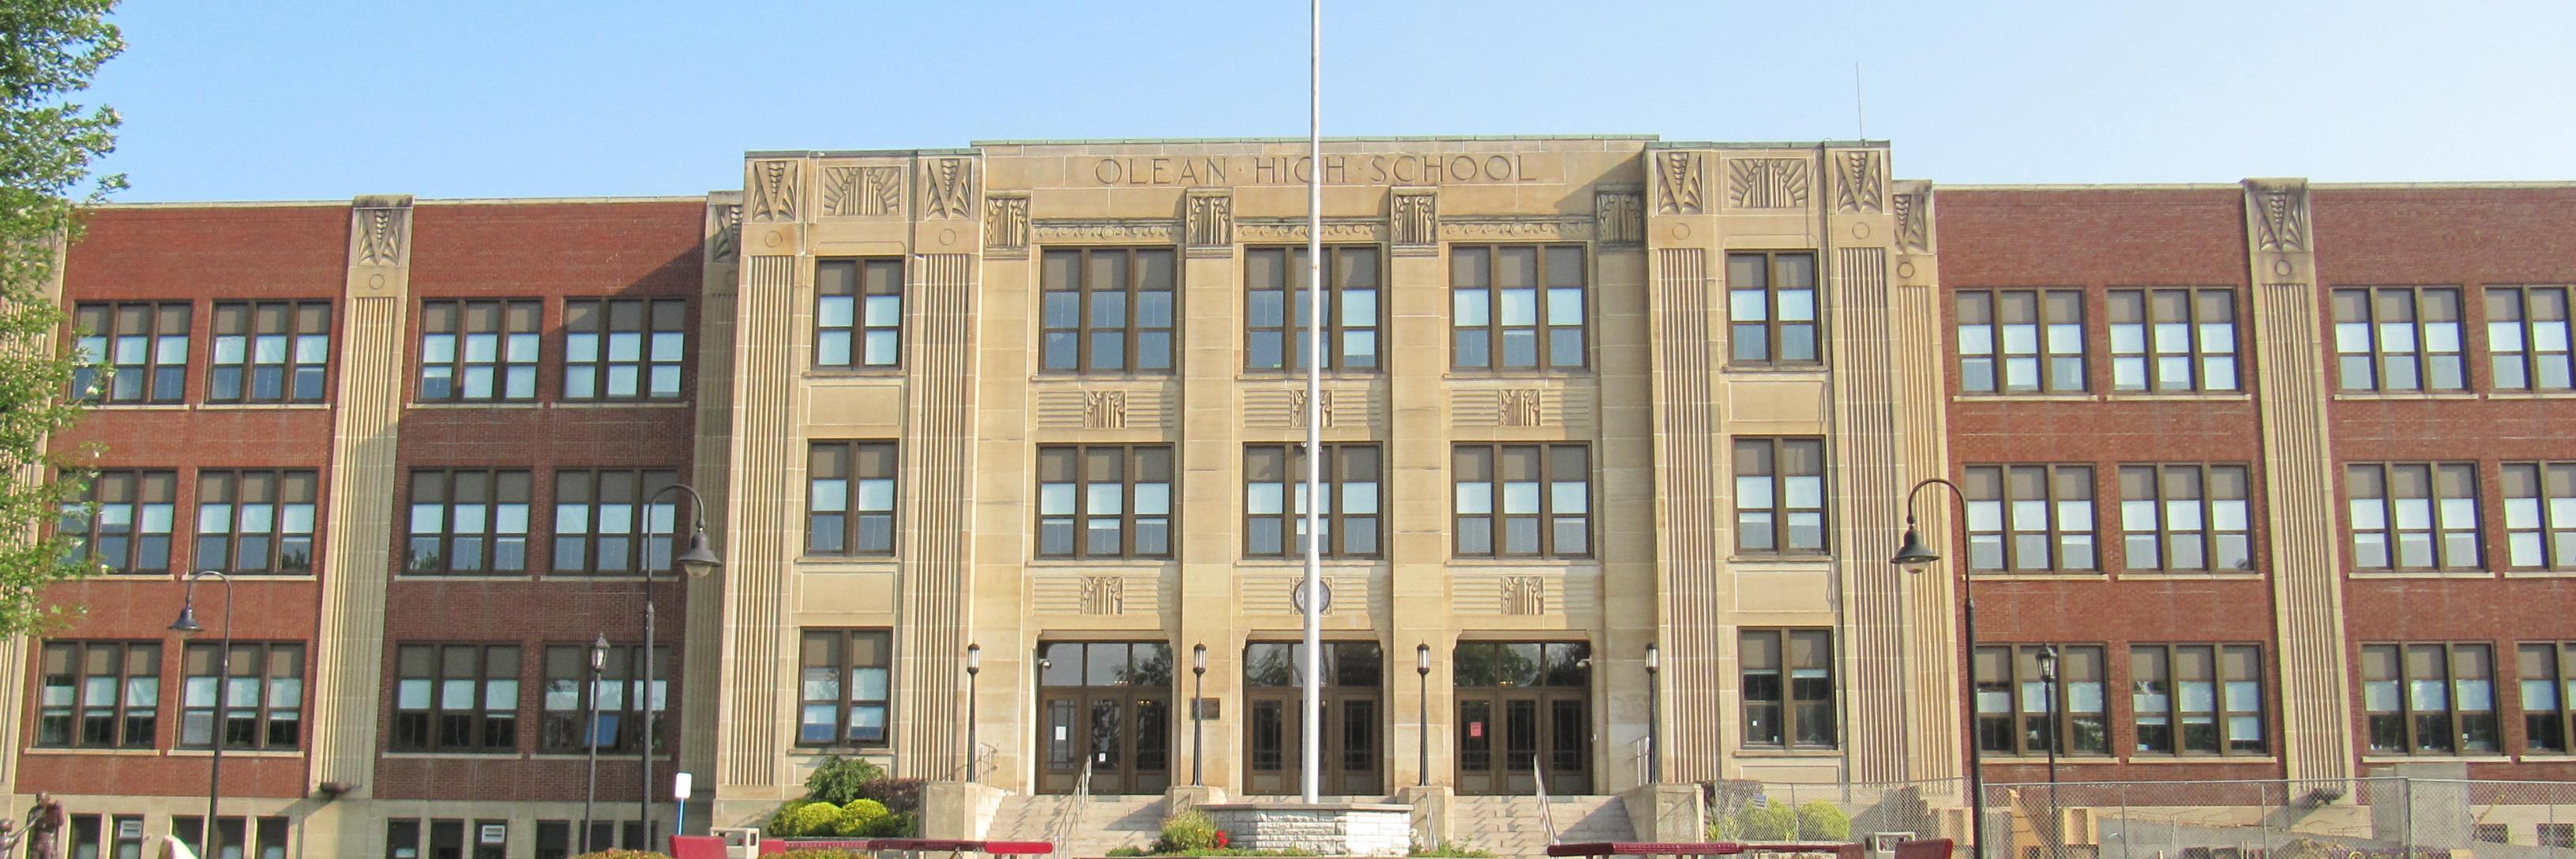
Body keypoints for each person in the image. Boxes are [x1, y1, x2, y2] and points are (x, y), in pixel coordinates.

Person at [24, 792, 63, 859]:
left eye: (41, 800)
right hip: (37, 840)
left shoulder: (52, 809)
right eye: (37, 799)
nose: (39, 802)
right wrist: (38, 823)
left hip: (48, 841)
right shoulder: (34, 810)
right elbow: (29, 824)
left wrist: (59, 810)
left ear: (48, 799)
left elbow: (60, 822)